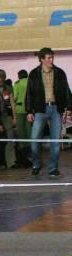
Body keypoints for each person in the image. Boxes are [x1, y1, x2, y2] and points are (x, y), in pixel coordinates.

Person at [27, 47, 72, 177]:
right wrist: (29, 111)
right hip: (40, 110)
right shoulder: (34, 73)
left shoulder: (59, 72)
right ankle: (36, 164)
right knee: (35, 139)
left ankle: (53, 168)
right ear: (41, 59)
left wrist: (69, 108)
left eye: (52, 57)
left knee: (56, 141)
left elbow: (66, 90)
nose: (51, 60)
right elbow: (29, 93)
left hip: (56, 109)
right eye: (48, 58)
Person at [13, 69, 31, 167]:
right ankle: (30, 145)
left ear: (19, 76)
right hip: (30, 110)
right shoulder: (30, 82)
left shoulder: (17, 84)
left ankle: (22, 146)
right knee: (29, 128)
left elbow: (15, 97)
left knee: (20, 129)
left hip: (19, 109)